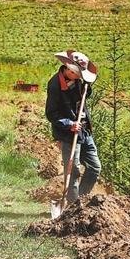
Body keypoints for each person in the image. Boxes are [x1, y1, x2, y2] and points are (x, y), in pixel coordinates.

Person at [45, 50, 101, 204]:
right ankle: (71, 206)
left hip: (84, 130)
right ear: (69, 70)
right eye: (78, 74)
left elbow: (82, 97)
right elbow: (51, 114)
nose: (80, 78)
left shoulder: (78, 81)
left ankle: (80, 201)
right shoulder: (55, 85)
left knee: (94, 167)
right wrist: (70, 124)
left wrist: (87, 88)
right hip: (69, 134)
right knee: (73, 170)